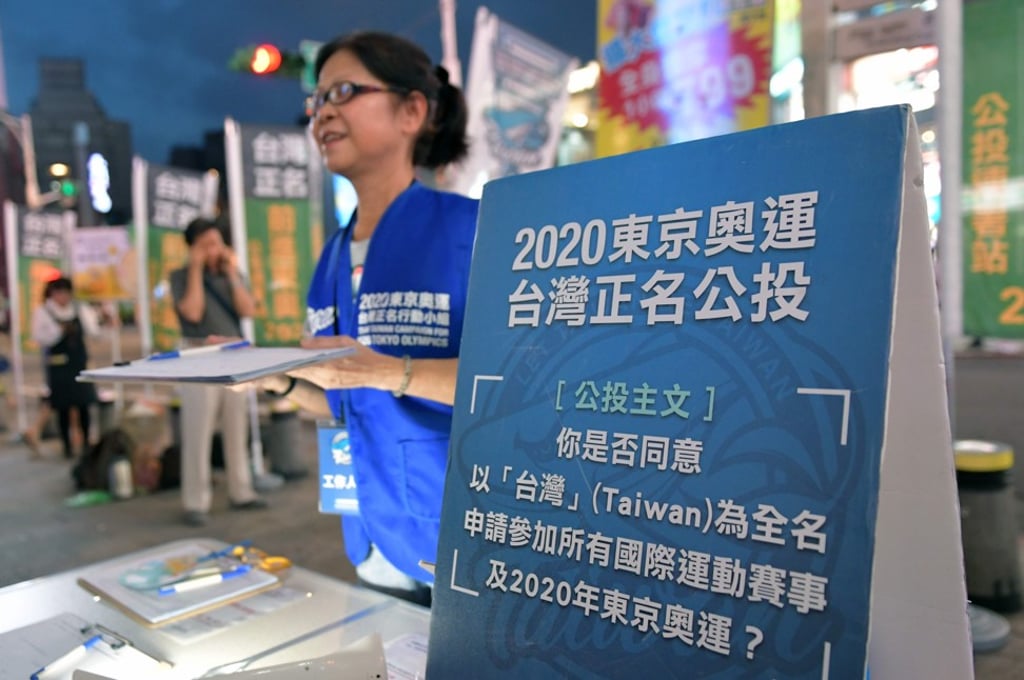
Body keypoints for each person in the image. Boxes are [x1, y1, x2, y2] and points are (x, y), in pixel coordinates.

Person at [258, 31, 476, 606]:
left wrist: (386, 371)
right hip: (371, 535)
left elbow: (518, 383)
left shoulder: (472, 230)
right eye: (318, 99)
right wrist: (274, 378)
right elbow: (343, 398)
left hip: (461, 534)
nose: (323, 112)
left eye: (345, 91)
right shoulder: (332, 254)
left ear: (412, 110)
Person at [170, 218, 266, 526]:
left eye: (217, 243)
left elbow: (248, 309)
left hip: (234, 355)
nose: (214, 251)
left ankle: (242, 491)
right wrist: (196, 269)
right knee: (198, 429)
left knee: (237, 427)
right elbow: (193, 311)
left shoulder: (231, 274)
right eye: (206, 245)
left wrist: (233, 273)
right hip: (199, 356)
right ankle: (195, 502)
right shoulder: (181, 276)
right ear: (193, 249)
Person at [30, 277, 101, 461]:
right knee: (62, 406)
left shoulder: (80, 309)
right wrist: (58, 332)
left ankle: (86, 443)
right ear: (51, 294)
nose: (62, 297)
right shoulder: (43, 312)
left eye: (65, 292)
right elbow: (39, 337)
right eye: (58, 293)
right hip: (58, 366)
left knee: (84, 403)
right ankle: (67, 446)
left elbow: (94, 331)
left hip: (78, 363)